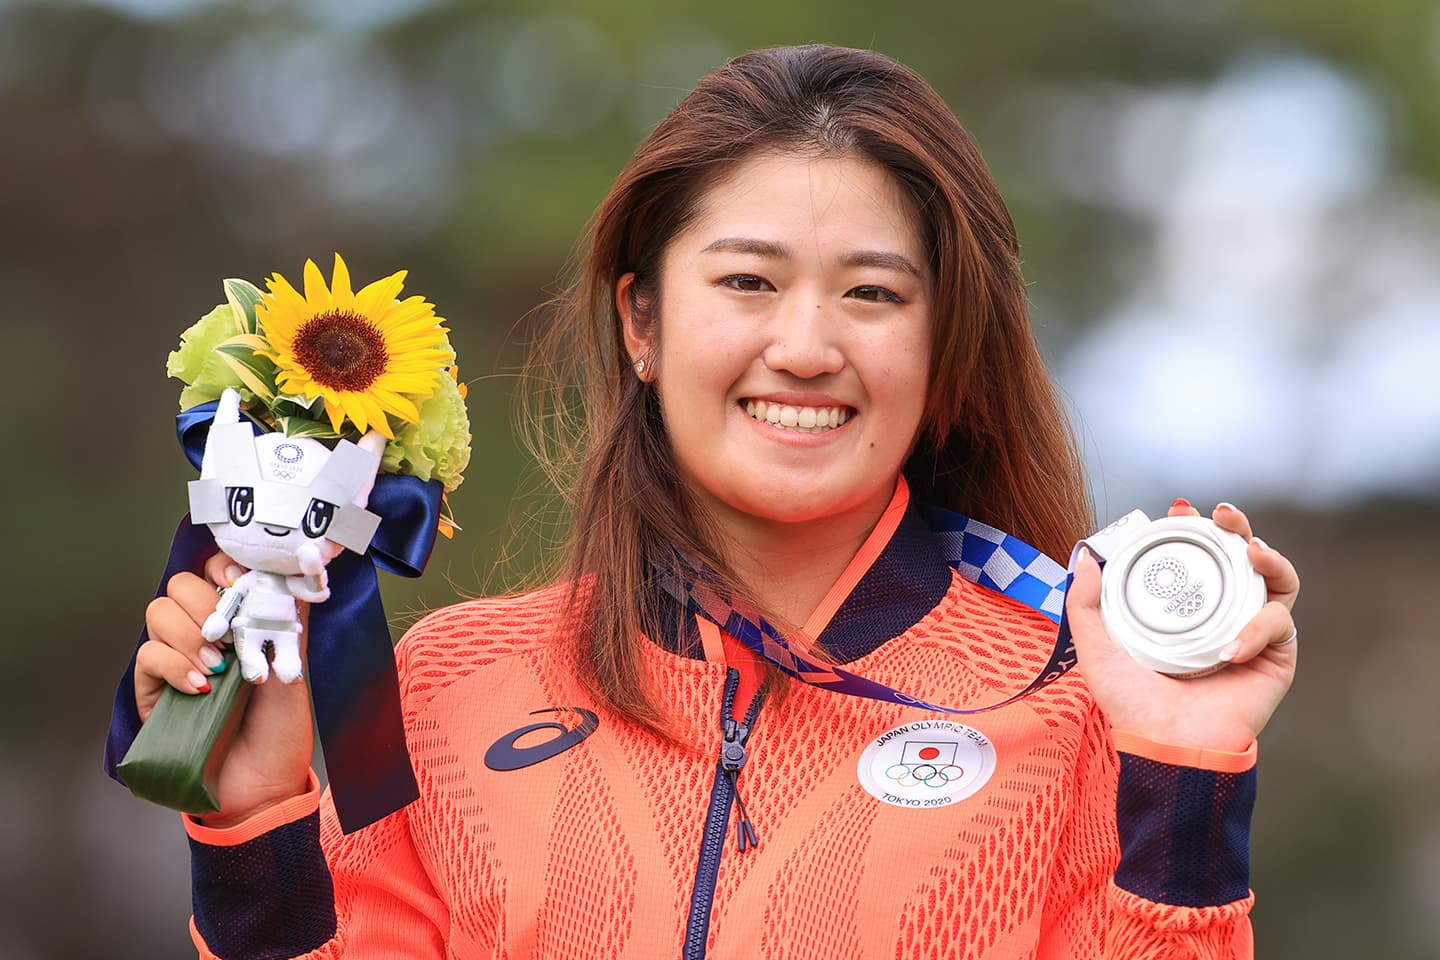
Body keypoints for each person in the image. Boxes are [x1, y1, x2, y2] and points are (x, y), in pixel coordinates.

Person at [132, 44, 1299, 959]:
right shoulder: (440, 684)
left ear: (947, 346)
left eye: (873, 294)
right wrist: (255, 825)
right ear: (642, 322)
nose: (805, 346)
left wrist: (1184, 770)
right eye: (747, 281)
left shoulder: (1079, 697)